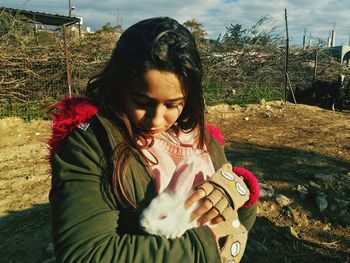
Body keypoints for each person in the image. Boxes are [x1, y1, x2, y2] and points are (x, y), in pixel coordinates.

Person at [48, 17, 259, 262]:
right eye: (142, 103)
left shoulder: (203, 142)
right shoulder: (91, 145)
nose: (156, 120)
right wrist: (203, 246)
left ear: (187, 98)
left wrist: (240, 194)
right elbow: (86, 254)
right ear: (121, 86)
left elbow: (236, 225)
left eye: (172, 105)